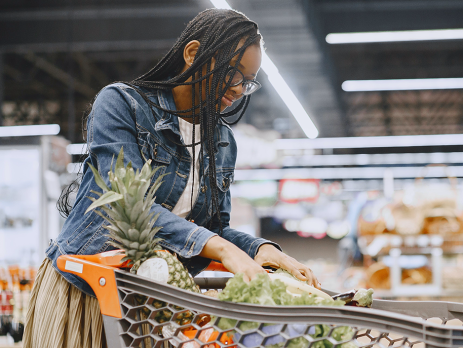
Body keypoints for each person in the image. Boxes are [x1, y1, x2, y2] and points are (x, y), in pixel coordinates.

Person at [23, 8, 320, 348]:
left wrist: (261, 248)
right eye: (233, 74)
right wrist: (222, 249)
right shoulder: (121, 104)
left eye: (248, 81)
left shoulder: (222, 141)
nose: (239, 89)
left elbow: (213, 230)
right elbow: (124, 203)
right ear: (193, 54)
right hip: (87, 288)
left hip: (156, 303)